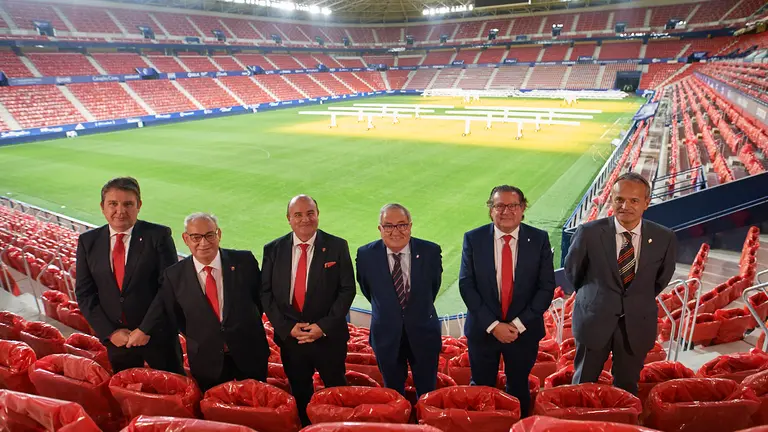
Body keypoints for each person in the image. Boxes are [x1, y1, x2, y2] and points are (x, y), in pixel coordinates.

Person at [566, 172, 677, 395]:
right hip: (593, 321)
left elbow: (660, 280)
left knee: (627, 388)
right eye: (619, 199)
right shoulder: (588, 233)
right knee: (581, 387)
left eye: (634, 200)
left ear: (646, 203)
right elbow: (573, 273)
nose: (625, 206)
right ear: (612, 200)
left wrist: (633, 300)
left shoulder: (664, 238)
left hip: (636, 325)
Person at [138, 213, 270, 391]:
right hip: (207, 362)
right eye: (196, 237)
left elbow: (258, 301)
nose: (204, 242)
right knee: (213, 406)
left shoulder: (244, 261)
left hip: (250, 354)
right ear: (186, 239)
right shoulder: (174, 275)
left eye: (209, 235)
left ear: (218, 234)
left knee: (256, 403)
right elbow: (178, 317)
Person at [459, 185, 555, 416]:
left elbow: (545, 288)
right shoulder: (473, 238)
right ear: (491, 209)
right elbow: (466, 285)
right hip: (484, 332)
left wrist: (516, 325)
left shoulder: (539, 239)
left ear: (522, 208)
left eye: (513, 205)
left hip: (523, 332)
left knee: (519, 387)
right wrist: (494, 326)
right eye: (499, 206)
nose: (506, 211)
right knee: (481, 389)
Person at [261, 195, 356, 426]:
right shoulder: (273, 249)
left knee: (337, 392)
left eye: (310, 213)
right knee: (300, 392)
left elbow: (347, 290)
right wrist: (286, 328)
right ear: (288, 218)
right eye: (298, 215)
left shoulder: (337, 246)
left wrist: (322, 326)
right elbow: (265, 293)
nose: (305, 219)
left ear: (318, 214)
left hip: (328, 339)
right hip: (292, 340)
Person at [75, 177, 182, 374]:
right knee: (128, 389)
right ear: (102, 206)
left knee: (173, 389)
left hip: (158, 337)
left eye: (128, 204)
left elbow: (169, 288)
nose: (120, 210)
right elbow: (84, 293)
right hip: (118, 342)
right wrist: (110, 332)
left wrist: (145, 329)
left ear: (138, 205)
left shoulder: (158, 236)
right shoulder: (87, 241)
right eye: (113, 204)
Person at [356, 203, 442, 398]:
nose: (395, 231)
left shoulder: (430, 252)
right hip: (386, 336)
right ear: (380, 228)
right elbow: (368, 290)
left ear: (410, 226)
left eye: (402, 224)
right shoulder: (365, 255)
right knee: (392, 394)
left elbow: (432, 288)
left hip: (424, 334)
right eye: (388, 226)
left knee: (428, 392)